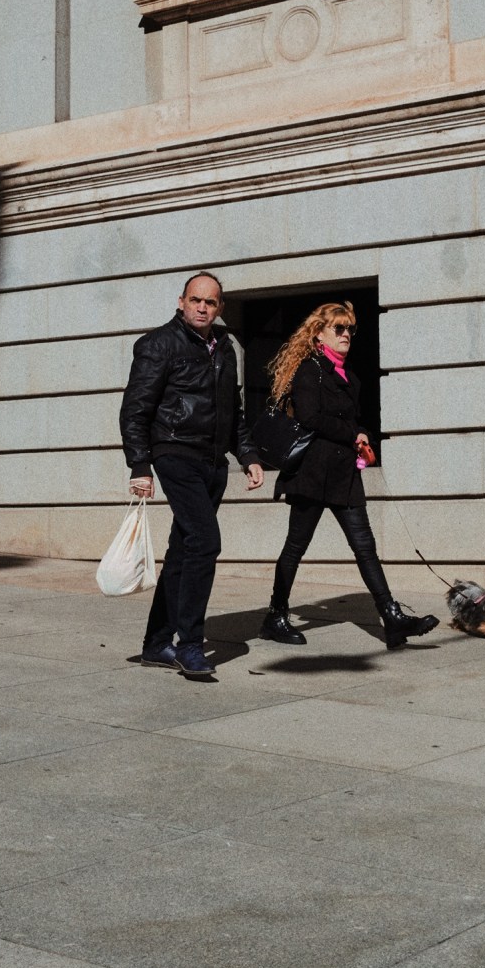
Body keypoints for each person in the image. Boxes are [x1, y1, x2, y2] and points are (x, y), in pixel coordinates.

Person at [258, 301, 439, 650]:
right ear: (319, 334)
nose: (346, 335)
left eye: (350, 330)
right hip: (312, 474)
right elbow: (309, 418)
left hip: (343, 476)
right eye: (338, 329)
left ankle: (392, 618)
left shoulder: (349, 376)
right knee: (295, 547)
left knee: (365, 547)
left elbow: (348, 419)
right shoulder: (309, 371)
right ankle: (275, 616)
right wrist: (349, 432)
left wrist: (361, 432)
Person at [121, 272, 265, 676]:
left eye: (211, 302)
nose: (203, 307)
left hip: (212, 462)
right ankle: (190, 645)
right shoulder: (158, 344)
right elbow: (135, 409)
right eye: (196, 300)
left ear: (219, 307)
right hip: (174, 454)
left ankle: (155, 643)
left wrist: (249, 454)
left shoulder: (225, 349)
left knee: (184, 551)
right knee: (204, 541)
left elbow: (232, 412)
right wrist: (140, 465)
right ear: (181, 301)